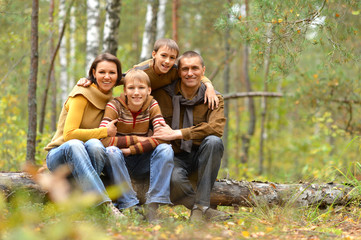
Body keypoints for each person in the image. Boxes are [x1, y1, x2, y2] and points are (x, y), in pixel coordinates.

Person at [44, 53, 132, 219]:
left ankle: (87, 205)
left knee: (96, 145)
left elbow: (139, 75)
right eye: (102, 72)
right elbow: (69, 135)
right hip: (60, 155)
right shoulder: (81, 93)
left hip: (85, 160)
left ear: (119, 76)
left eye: (112, 73)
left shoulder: (111, 101)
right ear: (93, 73)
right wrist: (104, 132)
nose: (107, 77)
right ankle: (106, 206)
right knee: (76, 144)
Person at [152, 51, 229, 222]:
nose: (190, 73)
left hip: (202, 156)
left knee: (214, 141)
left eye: (195, 68)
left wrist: (178, 133)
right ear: (178, 72)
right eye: (185, 69)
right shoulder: (163, 94)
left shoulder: (215, 98)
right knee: (173, 179)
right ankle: (201, 209)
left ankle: (200, 207)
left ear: (203, 71)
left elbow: (216, 128)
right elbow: (138, 73)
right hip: (175, 156)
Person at [100, 69, 174, 222]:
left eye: (141, 88)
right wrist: (136, 139)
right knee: (111, 151)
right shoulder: (114, 106)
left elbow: (164, 137)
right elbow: (102, 140)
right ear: (125, 90)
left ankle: (153, 205)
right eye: (131, 88)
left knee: (166, 149)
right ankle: (129, 205)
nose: (136, 93)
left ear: (149, 90)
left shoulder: (152, 104)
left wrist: (130, 149)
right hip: (119, 162)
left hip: (142, 160)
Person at [78, 38, 219, 110]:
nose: (167, 61)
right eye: (163, 56)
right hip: (138, 105)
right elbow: (117, 78)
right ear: (154, 54)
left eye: (172, 58)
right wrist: (90, 80)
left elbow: (194, 74)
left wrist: (209, 86)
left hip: (162, 107)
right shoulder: (141, 70)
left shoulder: (175, 71)